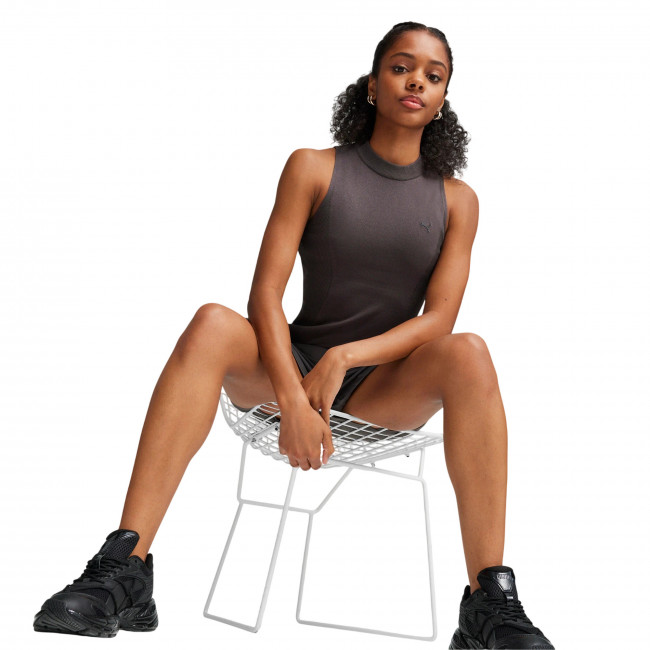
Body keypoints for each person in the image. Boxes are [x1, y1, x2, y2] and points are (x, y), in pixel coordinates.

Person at [33, 21, 555, 649]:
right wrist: (292, 400)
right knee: (212, 321)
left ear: (443, 96)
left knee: (469, 351)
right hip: (292, 367)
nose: (416, 80)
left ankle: (488, 602)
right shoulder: (313, 167)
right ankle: (125, 566)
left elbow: (436, 321)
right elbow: (264, 295)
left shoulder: (457, 200)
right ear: (372, 85)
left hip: (383, 388)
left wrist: (344, 359)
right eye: (400, 67)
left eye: (433, 74)